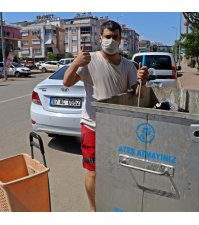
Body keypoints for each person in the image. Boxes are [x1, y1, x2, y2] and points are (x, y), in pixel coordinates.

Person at [63, 20, 148, 212]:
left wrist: (143, 81)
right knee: (92, 173)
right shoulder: (89, 60)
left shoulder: (128, 65)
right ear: (100, 38)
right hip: (92, 125)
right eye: (107, 37)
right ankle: (94, 208)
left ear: (121, 39)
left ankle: (113, 201)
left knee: (118, 169)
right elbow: (67, 83)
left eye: (115, 37)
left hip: (118, 128)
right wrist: (75, 62)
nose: (111, 40)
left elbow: (140, 95)